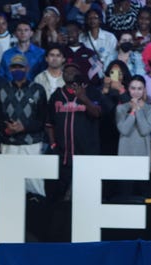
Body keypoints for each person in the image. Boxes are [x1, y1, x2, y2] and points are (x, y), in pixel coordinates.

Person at [46, 60, 108, 202]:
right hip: (64, 156)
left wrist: (84, 99)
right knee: (62, 198)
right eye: (67, 71)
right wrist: (53, 144)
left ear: (79, 74)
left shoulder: (91, 92)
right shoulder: (57, 95)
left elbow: (98, 114)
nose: (69, 73)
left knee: (86, 197)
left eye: (73, 71)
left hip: (86, 155)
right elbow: (49, 124)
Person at [0, 53, 48, 198]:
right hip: (9, 143)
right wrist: (7, 129)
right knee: (9, 184)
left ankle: (37, 212)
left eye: (20, 67)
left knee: (34, 182)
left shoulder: (38, 89)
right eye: (13, 67)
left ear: (27, 68)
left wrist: (24, 127)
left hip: (31, 143)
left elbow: (42, 119)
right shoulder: (2, 89)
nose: (16, 70)